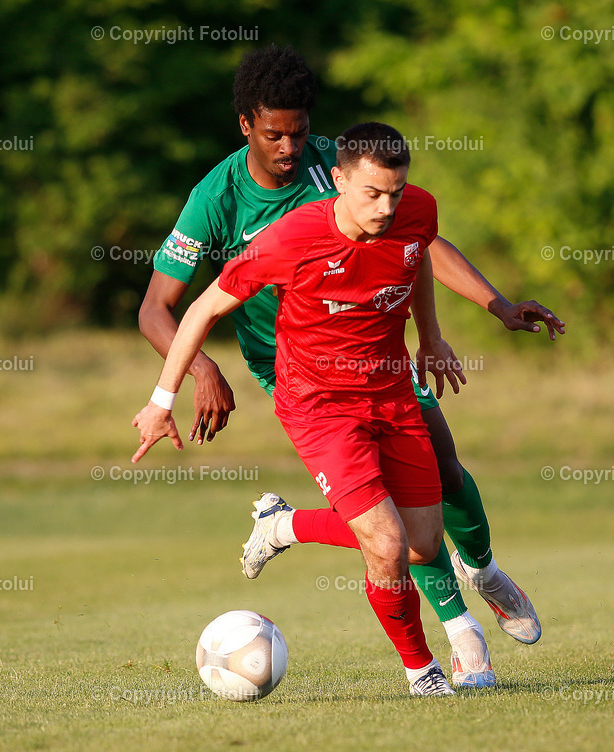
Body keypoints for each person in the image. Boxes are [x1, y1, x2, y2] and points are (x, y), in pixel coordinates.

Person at [138, 45, 565, 688]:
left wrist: (487, 307)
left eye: (301, 131)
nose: (290, 146)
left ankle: (481, 571)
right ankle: (459, 640)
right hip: (298, 373)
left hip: (382, 359)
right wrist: (200, 372)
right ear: (245, 126)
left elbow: (415, 245)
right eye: (274, 133)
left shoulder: (344, 168)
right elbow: (158, 309)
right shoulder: (214, 201)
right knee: (388, 532)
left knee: (444, 468)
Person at [134, 122, 470, 695]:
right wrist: (162, 398)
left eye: (396, 191)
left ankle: (284, 524)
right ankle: (424, 672)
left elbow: (417, 266)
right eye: (372, 194)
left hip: (389, 391)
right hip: (318, 405)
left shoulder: (418, 210)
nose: (386, 207)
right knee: (386, 544)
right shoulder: (291, 238)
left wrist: (431, 337)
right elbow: (200, 310)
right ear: (338, 181)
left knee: (422, 545)